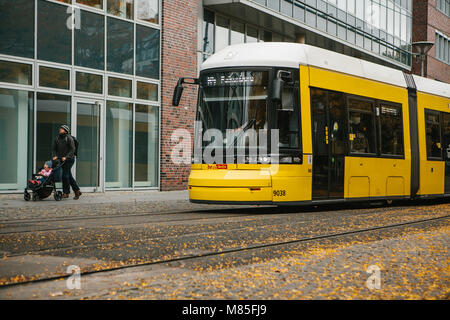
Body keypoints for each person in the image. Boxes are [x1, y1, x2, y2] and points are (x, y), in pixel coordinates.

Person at [52, 125, 82, 200]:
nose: (60, 129)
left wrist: (66, 157)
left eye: (61, 129)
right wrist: (55, 155)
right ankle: (77, 191)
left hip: (69, 159)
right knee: (69, 176)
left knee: (65, 175)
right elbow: (54, 149)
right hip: (61, 159)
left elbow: (72, 149)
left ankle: (66, 193)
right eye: (60, 128)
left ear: (65, 130)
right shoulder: (57, 138)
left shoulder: (69, 138)